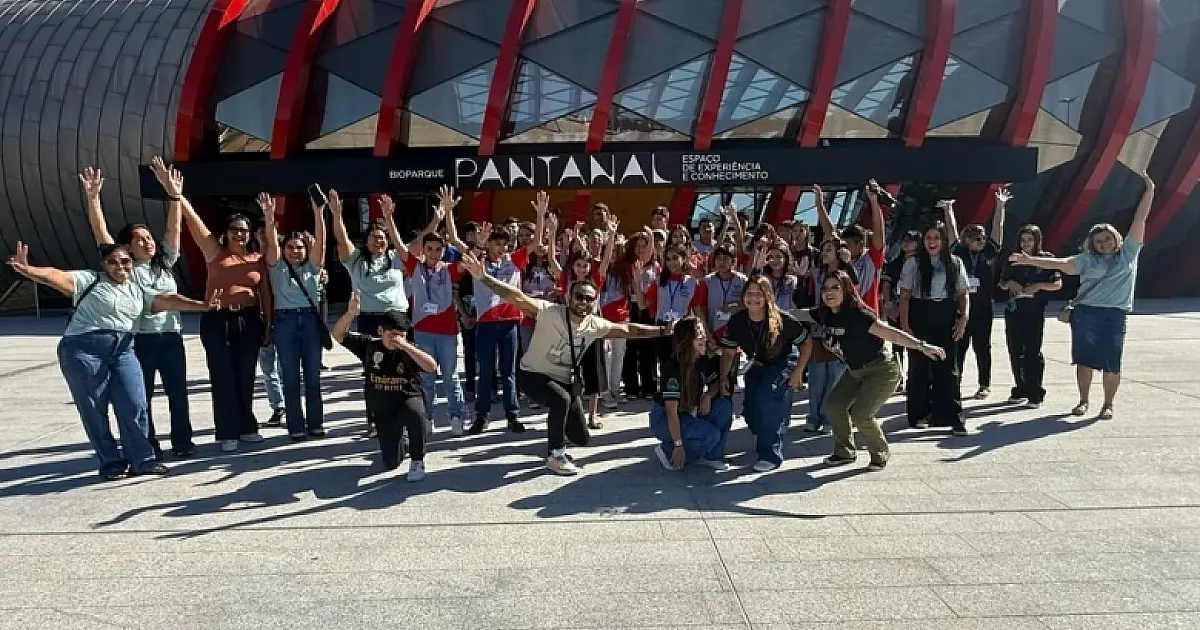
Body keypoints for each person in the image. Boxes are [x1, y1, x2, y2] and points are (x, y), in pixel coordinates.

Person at [6, 241, 218, 479]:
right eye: (113, 263)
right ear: (103, 265)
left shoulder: (137, 290)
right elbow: (55, 276)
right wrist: (29, 270)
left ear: (132, 263)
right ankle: (111, 462)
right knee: (94, 410)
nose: (120, 267)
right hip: (83, 350)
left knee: (135, 404)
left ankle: (142, 460)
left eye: (125, 261)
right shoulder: (90, 280)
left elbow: (169, 300)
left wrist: (204, 306)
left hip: (124, 350)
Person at [461, 251, 676, 475]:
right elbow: (516, 297)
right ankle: (555, 454)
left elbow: (628, 329)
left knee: (582, 439)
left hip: (563, 380)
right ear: (569, 298)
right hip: (532, 375)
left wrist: (663, 330)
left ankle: (559, 435)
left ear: (594, 302)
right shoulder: (549, 312)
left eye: (589, 299)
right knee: (560, 399)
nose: (583, 302)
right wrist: (484, 277)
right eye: (579, 297)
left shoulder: (594, 324)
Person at [1008, 171, 1155, 420]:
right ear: (1092, 244)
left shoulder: (1128, 253)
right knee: (1084, 360)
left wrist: (1150, 191)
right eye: (1099, 241)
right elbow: (1061, 264)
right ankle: (1083, 400)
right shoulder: (1086, 260)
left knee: (1112, 362)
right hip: (1086, 313)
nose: (1104, 243)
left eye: (1108, 239)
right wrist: (1029, 259)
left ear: (1116, 239)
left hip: (1114, 315)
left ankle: (1108, 404)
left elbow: (1139, 220)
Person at [80, 158, 193, 459]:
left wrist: (173, 195)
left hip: (171, 337)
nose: (148, 241)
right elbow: (100, 233)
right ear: (127, 246)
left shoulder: (163, 262)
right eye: (140, 239)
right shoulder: (124, 267)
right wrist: (93, 200)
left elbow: (173, 228)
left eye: (148, 237)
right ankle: (149, 445)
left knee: (178, 395)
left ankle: (183, 443)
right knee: (142, 398)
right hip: (139, 339)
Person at [792, 270, 947, 470]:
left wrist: (922, 346)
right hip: (855, 370)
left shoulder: (859, 315)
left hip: (881, 370)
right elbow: (799, 314)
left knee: (861, 414)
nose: (829, 292)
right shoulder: (824, 313)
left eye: (835, 287)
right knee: (835, 405)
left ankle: (880, 453)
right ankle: (844, 452)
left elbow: (891, 334)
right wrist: (769, 309)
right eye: (825, 288)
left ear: (846, 290)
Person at [181, 199, 273, 452]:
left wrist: (269, 323)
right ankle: (226, 431)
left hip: (250, 318)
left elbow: (264, 292)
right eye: (234, 230)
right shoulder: (215, 253)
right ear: (225, 233)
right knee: (223, 376)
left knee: (245, 375)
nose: (239, 234)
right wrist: (178, 197)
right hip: (218, 319)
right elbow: (195, 224)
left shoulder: (258, 259)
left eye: (244, 230)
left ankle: (246, 426)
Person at [452, 192, 547, 434]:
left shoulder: (514, 260)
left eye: (504, 243)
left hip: (510, 323)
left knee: (509, 373)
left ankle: (512, 415)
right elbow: (454, 240)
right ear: (489, 244)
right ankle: (481, 417)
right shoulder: (478, 261)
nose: (502, 247)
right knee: (485, 373)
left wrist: (540, 215)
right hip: (485, 324)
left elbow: (536, 244)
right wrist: (479, 244)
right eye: (497, 243)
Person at [333, 291, 437, 481]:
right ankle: (403, 441)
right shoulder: (369, 346)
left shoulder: (408, 348)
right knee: (391, 463)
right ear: (381, 331)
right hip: (383, 407)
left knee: (416, 415)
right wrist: (350, 315)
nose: (396, 339)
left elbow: (431, 366)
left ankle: (417, 459)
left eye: (401, 335)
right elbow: (338, 335)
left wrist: (405, 346)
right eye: (392, 335)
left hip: (407, 398)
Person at [719, 276, 813, 472]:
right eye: (749, 294)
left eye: (758, 294)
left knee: (767, 398)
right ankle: (764, 432)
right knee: (752, 410)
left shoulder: (783, 319)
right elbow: (728, 352)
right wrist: (723, 377)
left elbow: (806, 343)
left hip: (783, 361)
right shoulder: (737, 320)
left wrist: (798, 372)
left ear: (767, 296)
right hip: (757, 363)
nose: (753, 299)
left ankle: (771, 454)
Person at [899, 214, 970, 435]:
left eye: (936, 238)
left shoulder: (954, 262)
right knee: (919, 368)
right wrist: (905, 326)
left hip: (946, 314)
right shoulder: (913, 263)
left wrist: (963, 317)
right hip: (921, 313)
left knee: (948, 368)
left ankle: (951, 416)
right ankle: (919, 413)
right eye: (928, 238)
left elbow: (963, 293)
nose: (932, 242)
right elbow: (904, 296)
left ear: (944, 241)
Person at [405, 186, 467, 435]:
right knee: (427, 380)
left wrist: (449, 216)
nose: (432, 252)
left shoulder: (448, 268)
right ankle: (427, 418)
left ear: (442, 251)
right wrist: (437, 218)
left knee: (451, 378)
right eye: (429, 248)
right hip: (422, 332)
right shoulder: (415, 266)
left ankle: (455, 417)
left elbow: (469, 259)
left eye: (437, 249)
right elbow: (411, 247)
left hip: (447, 332)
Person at [947, 189, 1009, 399]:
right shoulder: (959, 253)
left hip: (983, 307)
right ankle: (955, 381)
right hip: (962, 306)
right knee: (960, 346)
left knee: (983, 346)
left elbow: (997, 229)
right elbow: (951, 232)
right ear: (967, 240)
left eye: (982, 237)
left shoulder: (989, 252)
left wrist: (1000, 206)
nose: (982, 240)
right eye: (976, 238)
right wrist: (948, 210)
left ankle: (984, 384)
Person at [650, 317, 735, 471]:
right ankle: (669, 450)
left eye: (703, 333)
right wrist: (678, 444)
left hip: (688, 413)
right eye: (699, 334)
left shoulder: (702, 359)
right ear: (687, 339)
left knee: (724, 406)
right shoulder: (673, 369)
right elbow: (671, 412)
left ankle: (711, 456)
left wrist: (708, 395)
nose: (704, 337)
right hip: (664, 418)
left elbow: (715, 383)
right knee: (710, 435)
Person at [996, 224, 1062, 408]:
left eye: (1030, 240)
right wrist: (1009, 283)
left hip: (1034, 309)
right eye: (1023, 240)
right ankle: (1020, 387)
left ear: (1037, 241)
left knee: (1032, 350)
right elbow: (1001, 282)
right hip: (1014, 309)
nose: (1026, 244)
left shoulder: (1046, 259)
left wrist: (1038, 286)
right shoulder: (1012, 258)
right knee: (1015, 349)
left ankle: (1035, 391)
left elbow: (1057, 284)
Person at [879, 230, 921, 393]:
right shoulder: (893, 263)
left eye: (911, 240)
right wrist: (889, 306)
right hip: (896, 307)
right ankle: (898, 379)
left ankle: (914, 379)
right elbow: (886, 285)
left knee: (915, 345)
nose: (906, 243)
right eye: (904, 240)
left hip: (916, 309)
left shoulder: (922, 263)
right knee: (897, 345)